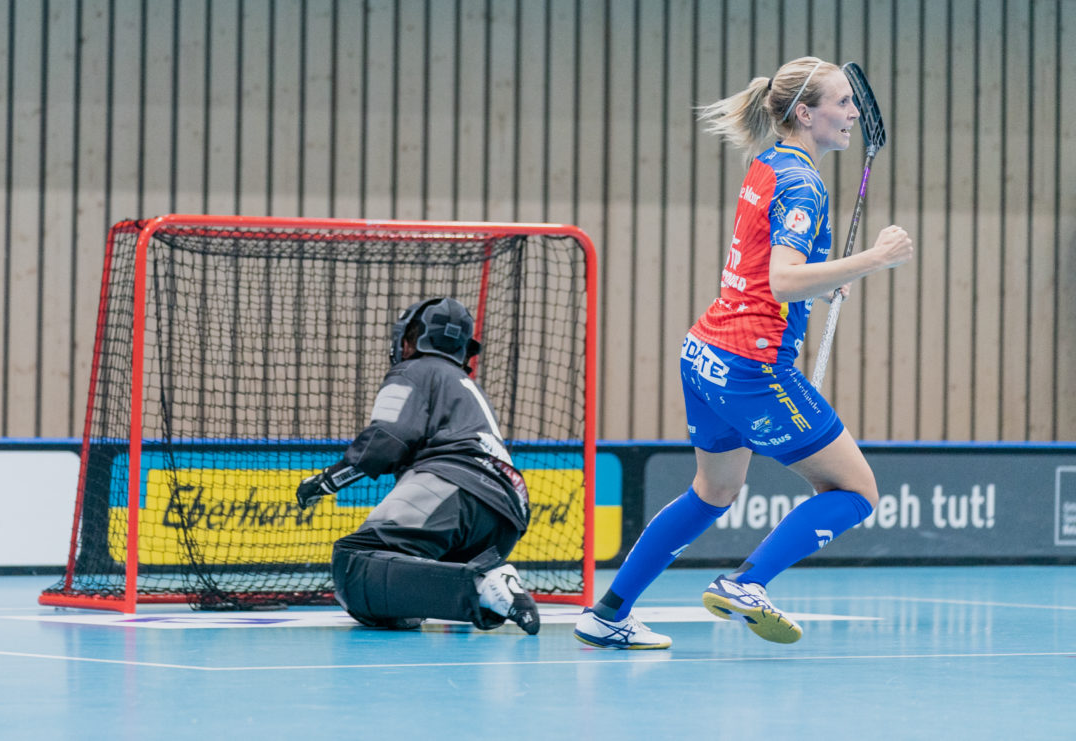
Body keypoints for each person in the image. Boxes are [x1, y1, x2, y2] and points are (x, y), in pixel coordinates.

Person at [574, 56, 914, 649]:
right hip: (752, 367)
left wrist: (822, 275)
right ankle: (747, 584)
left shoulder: (768, 164)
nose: (853, 113)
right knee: (856, 493)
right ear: (805, 113)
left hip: (704, 352)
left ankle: (606, 614)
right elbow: (783, 281)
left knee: (713, 491)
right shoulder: (803, 182)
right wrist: (873, 260)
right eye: (842, 102)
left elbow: (770, 265)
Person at [295, 297, 540, 635]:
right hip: (506, 512)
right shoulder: (466, 386)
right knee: (398, 583)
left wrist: (326, 481)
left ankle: (484, 583)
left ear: (411, 339)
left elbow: (389, 438)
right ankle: (476, 583)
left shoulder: (412, 370)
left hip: (453, 484)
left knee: (356, 561)